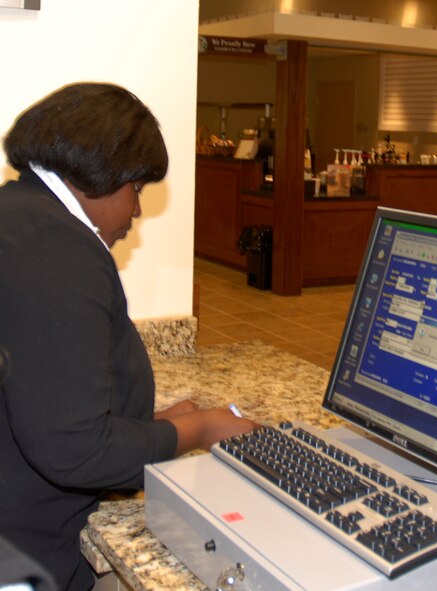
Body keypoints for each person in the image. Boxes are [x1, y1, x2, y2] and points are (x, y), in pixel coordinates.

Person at [0, 83, 259, 591]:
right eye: (137, 189)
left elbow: (42, 400)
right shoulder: (61, 253)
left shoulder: (18, 217)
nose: (137, 211)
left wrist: (152, 426)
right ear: (102, 175)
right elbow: (76, 452)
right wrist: (201, 429)